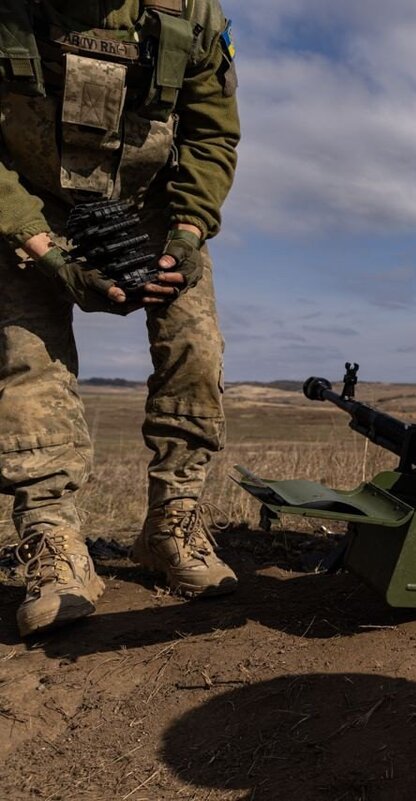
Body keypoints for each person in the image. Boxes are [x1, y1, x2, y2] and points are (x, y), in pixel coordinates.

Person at [1, 0, 240, 637]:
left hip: (151, 203)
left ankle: (173, 523)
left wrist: (188, 233)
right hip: (25, 202)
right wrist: (45, 253)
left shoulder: (190, 11)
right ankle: (53, 545)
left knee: (196, 349)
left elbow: (211, 134)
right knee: (26, 362)